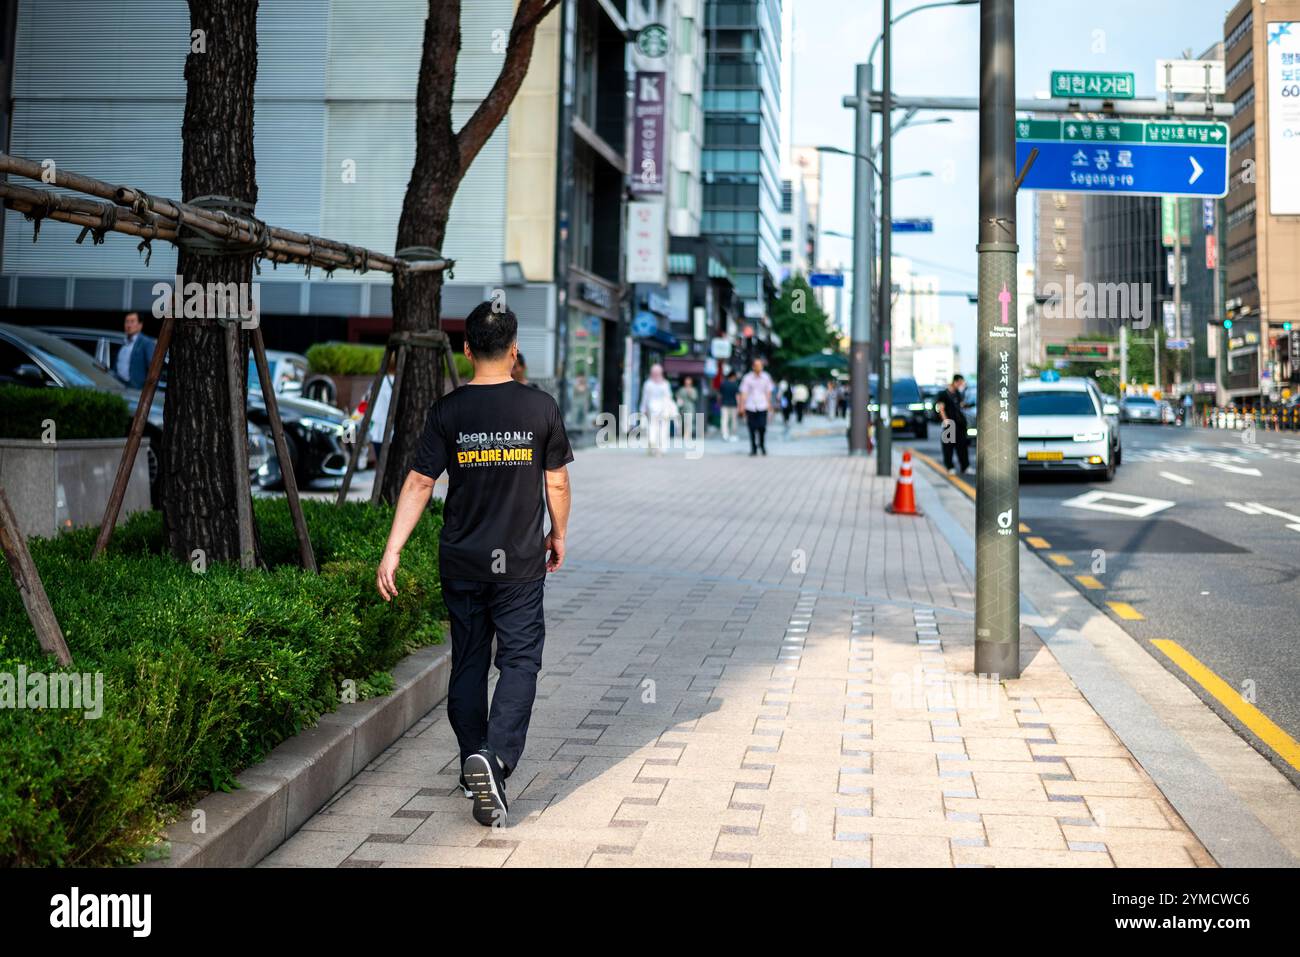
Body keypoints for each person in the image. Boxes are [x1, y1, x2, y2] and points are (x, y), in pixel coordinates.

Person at [376, 300, 573, 828]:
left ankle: (472, 761)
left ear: (466, 351)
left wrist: (393, 548)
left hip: (461, 561)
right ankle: (498, 758)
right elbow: (555, 481)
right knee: (519, 660)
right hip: (521, 564)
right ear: (513, 351)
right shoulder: (541, 408)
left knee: (467, 661)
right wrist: (558, 534)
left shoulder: (448, 412)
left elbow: (420, 482)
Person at [738, 358, 775, 456]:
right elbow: (744, 393)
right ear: (753, 367)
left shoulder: (766, 377)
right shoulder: (747, 378)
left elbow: (768, 392)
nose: (759, 367)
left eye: (760, 365)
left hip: (762, 405)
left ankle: (762, 445)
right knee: (751, 428)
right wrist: (741, 406)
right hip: (750, 406)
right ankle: (753, 448)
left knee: (762, 427)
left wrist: (769, 405)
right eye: (757, 365)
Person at [935, 373, 970, 475]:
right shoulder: (943, 394)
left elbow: (960, 405)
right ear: (956, 382)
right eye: (960, 383)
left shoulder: (958, 393)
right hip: (949, 424)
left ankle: (965, 466)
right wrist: (945, 420)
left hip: (960, 424)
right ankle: (949, 466)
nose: (961, 385)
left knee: (962, 446)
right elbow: (941, 408)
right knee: (948, 447)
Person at [640, 363, 676, 455]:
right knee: (651, 429)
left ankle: (660, 449)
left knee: (663, 430)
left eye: (657, 372)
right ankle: (652, 446)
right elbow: (645, 397)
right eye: (654, 372)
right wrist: (643, 409)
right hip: (652, 410)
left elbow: (668, 397)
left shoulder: (665, 384)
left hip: (663, 410)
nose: (656, 374)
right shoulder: (648, 384)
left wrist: (669, 409)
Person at [114, 312, 156, 389]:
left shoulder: (146, 342)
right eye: (127, 321)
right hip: (118, 385)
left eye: (132, 321)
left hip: (136, 389)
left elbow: (153, 368)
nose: (129, 325)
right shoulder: (123, 342)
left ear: (140, 325)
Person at [367, 355, 395, 467]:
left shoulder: (378, 382)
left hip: (377, 430)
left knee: (382, 464)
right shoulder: (403, 383)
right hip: (394, 430)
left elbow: (367, 402)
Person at [676, 375, 699, 440]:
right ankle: (683, 435)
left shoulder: (693, 390)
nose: (687, 383)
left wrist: (690, 393)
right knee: (683, 422)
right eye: (686, 381)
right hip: (682, 408)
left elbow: (695, 398)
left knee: (688, 422)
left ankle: (687, 436)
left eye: (689, 382)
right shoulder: (681, 389)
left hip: (690, 408)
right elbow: (678, 397)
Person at [719, 370, 740, 442]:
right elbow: (737, 396)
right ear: (733, 376)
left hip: (724, 404)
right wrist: (739, 405)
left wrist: (719, 403)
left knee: (724, 420)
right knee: (733, 420)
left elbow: (720, 395)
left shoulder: (723, 384)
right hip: (733, 405)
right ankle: (733, 435)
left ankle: (725, 434)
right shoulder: (735, 384)